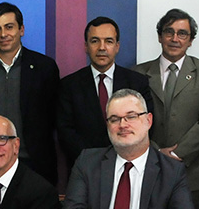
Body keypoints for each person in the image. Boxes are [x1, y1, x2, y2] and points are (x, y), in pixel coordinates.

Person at [59, 89, 197, 209]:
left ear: (148, 120)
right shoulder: (88, 162)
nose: (123, 125)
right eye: (114, 119)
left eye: (131, 116)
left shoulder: (172, 170)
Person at [135, 8, 199, 209]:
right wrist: (155, 152)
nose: (175, 39)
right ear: (159, 36)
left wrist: (176, 154)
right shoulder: (138, 74)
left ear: (191, 40)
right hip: (148, 169)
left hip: (191, 174)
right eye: (169, 32)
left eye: (182, 33)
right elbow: (134, 121)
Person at [0, 2, 61, 183]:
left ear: (21, 29)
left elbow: (55, 117)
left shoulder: (45, 67)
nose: (3, 34)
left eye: (9, 27)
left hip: (36, 164)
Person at [57, 16, 153, 168]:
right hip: (85, 167)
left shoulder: (137, 82)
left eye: (108, 41)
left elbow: (145, 125)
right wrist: (92, 160)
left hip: (129, 165)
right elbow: (65, 132)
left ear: (117, 46)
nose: (102, 47)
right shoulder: (69, 85)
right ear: (86, 46)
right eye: (95, 41)